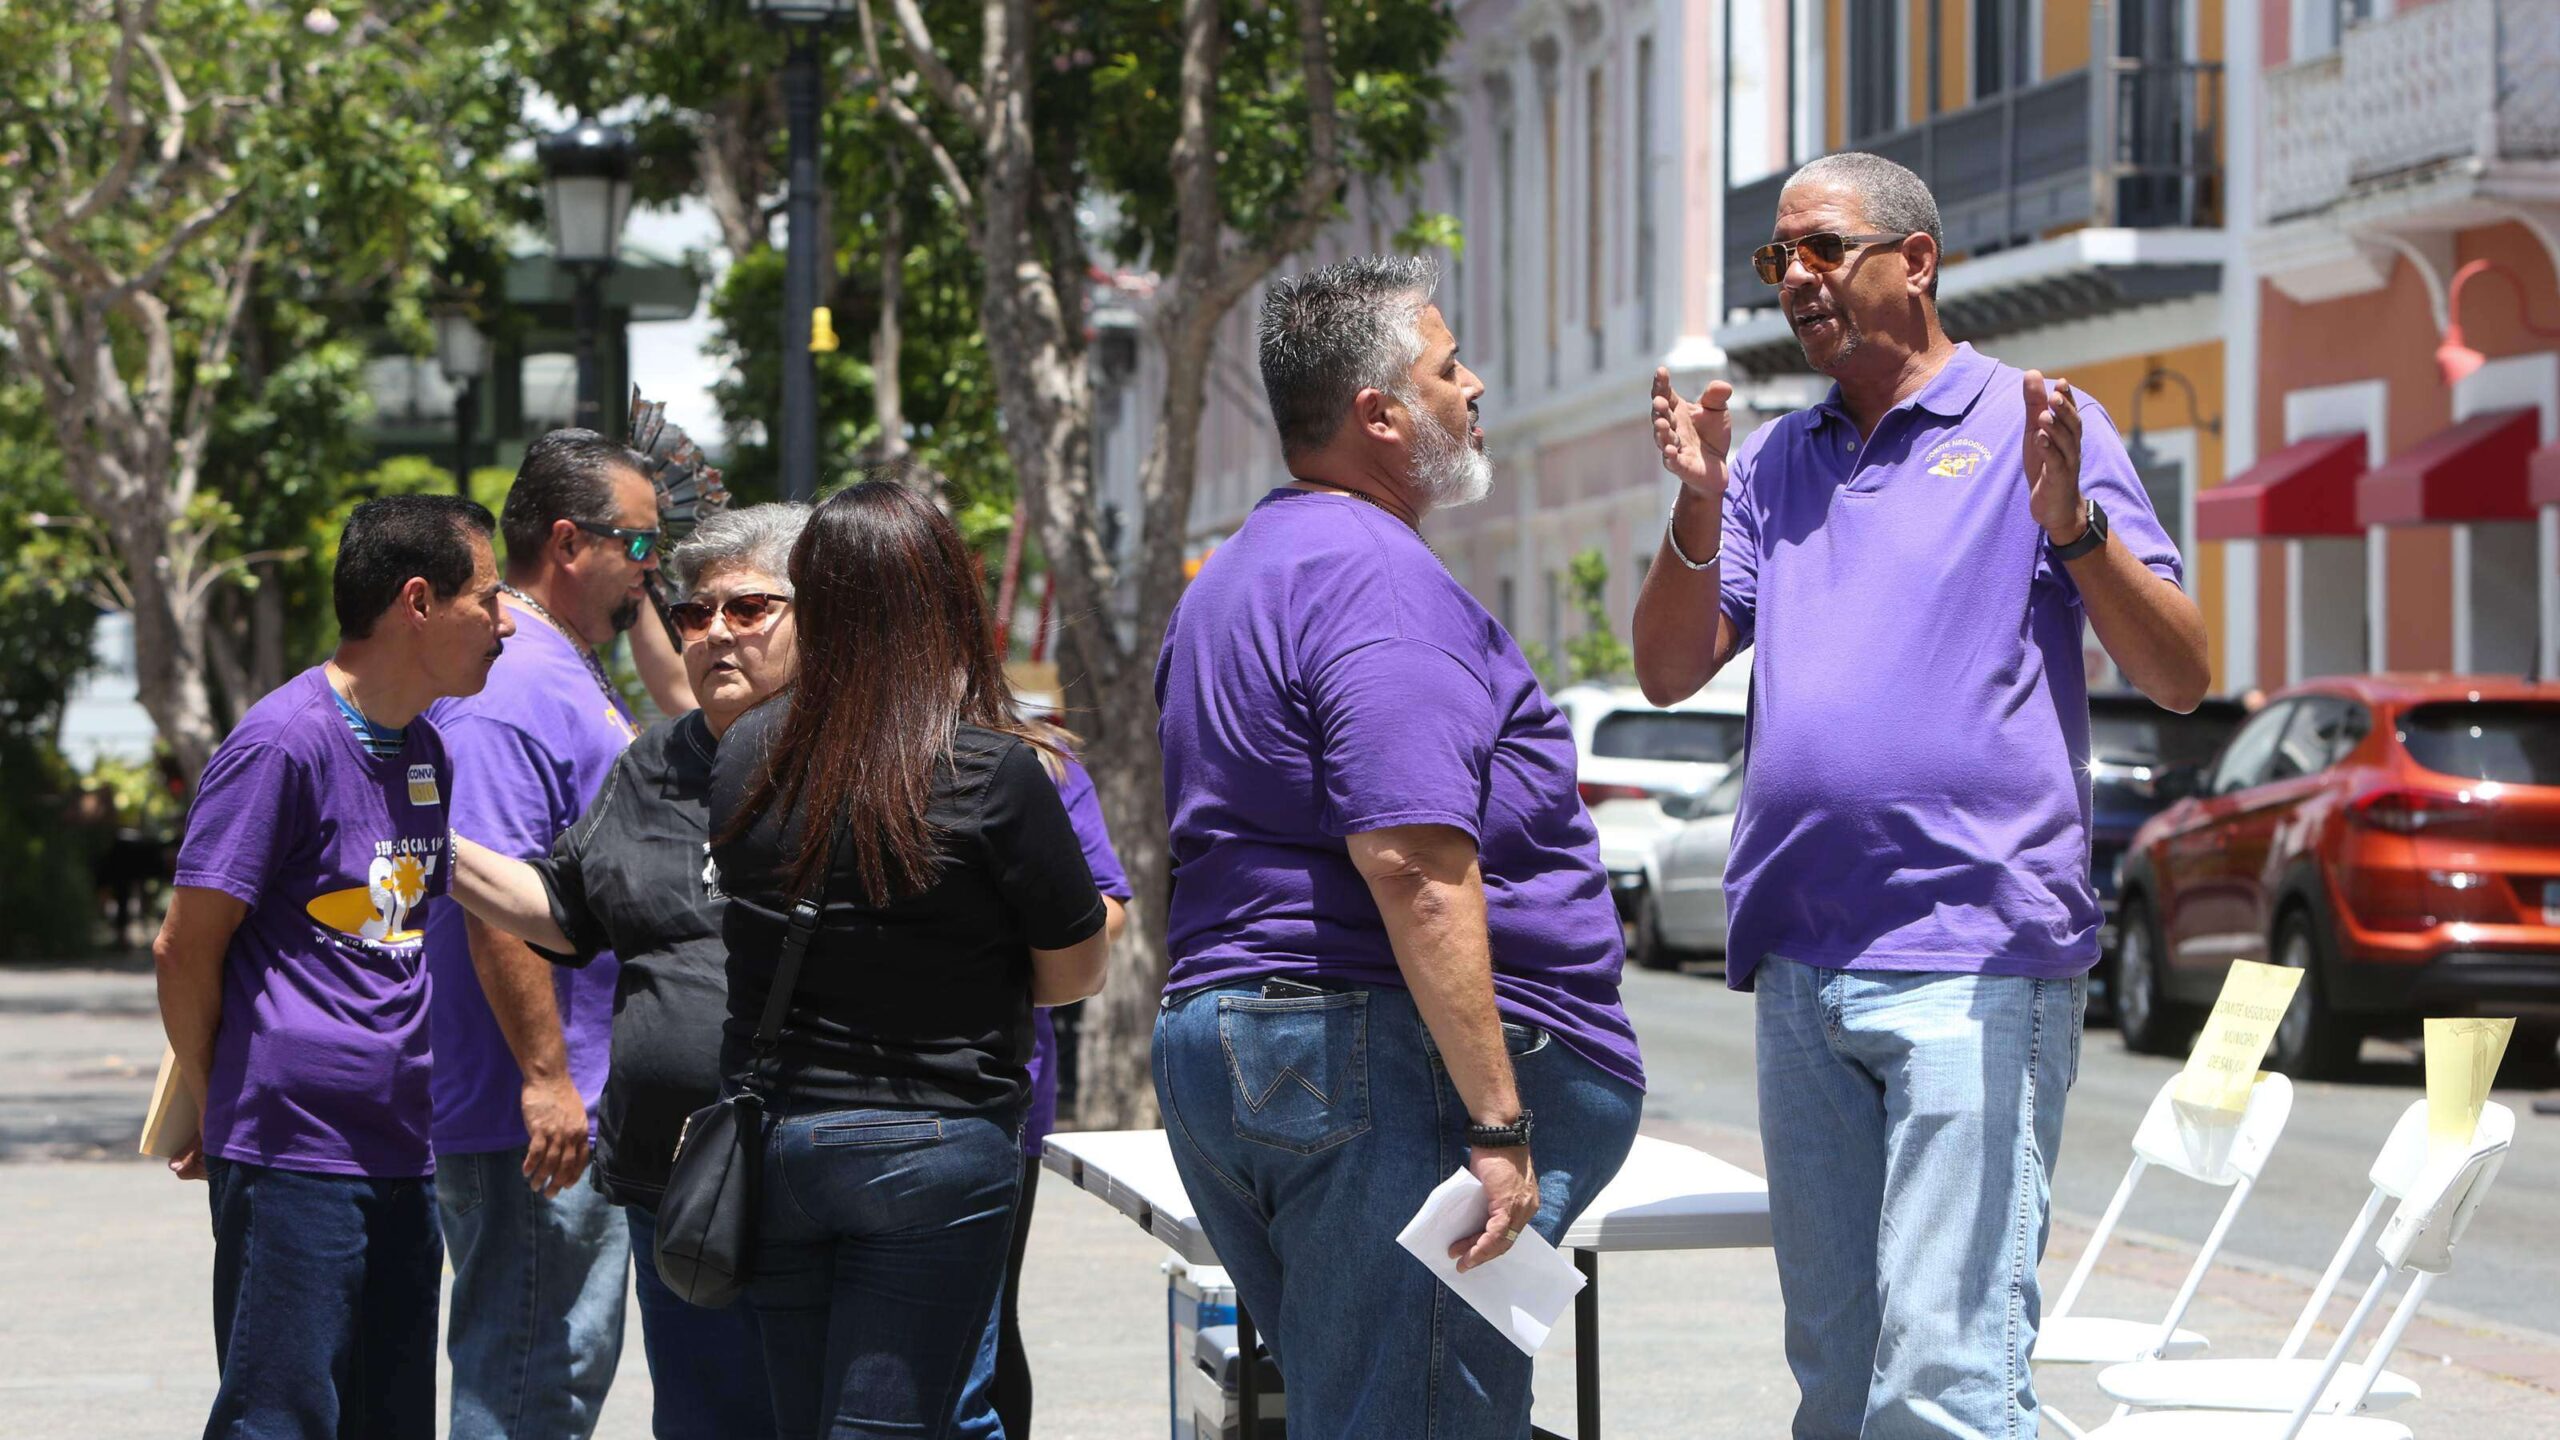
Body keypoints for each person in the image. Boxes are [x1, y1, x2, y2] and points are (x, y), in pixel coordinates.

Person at [1633, 151, 2210, 1439]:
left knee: (1944, 1383)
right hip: (1799, 964)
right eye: (1776, 257)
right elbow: (1668, 668)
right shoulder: (1775, 464)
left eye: (1822, 248)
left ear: (1919, 258)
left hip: (1974, 957)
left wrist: (2073, 528)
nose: (1794, 278)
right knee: (1838, 1386)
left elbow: (2178, 673)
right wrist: (1695, 502)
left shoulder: (2035, 421)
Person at [1151, 255, 1645, 1436]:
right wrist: (1494, 1122)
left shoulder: (1238, 574)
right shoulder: (1373, 578)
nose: (1472, 387)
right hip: (1368, 1056)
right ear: (1378, 412)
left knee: (1367, 1406)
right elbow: (1415, 864)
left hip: (1271, 1047)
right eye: (1446, 366)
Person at [707, 481, 1111, 1440]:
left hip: (782, 1138)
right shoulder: (993, 769)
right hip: (936, 1143)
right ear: (950, 600)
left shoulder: (743, 756)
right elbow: (1076, 971)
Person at [443, 503, 809, 1440]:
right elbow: (560, 909)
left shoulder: (869, 758)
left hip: (828, 1183)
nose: (715, 633)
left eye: (748, 609)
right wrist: (428, 845)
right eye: (695, 615)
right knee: (704, 1422)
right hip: (675, 1185)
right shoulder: (656, 767)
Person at [153, 495, 513, 1440]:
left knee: (391, 1421)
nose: (506, 623)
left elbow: (410, 920)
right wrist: (214, 1096)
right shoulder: (282, 742)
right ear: (418, 602)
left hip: (402, 1143)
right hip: (292, 1150)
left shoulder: (426, 747)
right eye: (491, 596)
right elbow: (184, 945)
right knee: (281, 1417)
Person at [424, 429, 664, 1439]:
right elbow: (488, 891)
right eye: (641, 550)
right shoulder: (513, 684)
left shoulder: (555, 667)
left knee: (550, 1374)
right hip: (537, 1116)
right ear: (570, 543)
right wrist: (546, 1078)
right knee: (531, 1377)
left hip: (572, 1098)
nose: (652, 577)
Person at [982, 743, 1131, 1439]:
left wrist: (987, 972)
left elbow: (1107, 907)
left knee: (987, 1313)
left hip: (1003, 1088)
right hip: (847, 1086)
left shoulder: (1042, 764)